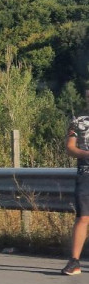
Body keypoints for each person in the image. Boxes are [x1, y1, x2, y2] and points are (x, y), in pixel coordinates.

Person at [62, 115, 89, 275]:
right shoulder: (77, 122)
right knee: (83, 218)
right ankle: (74, 262)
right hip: (86, 175)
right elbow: (70, 148)